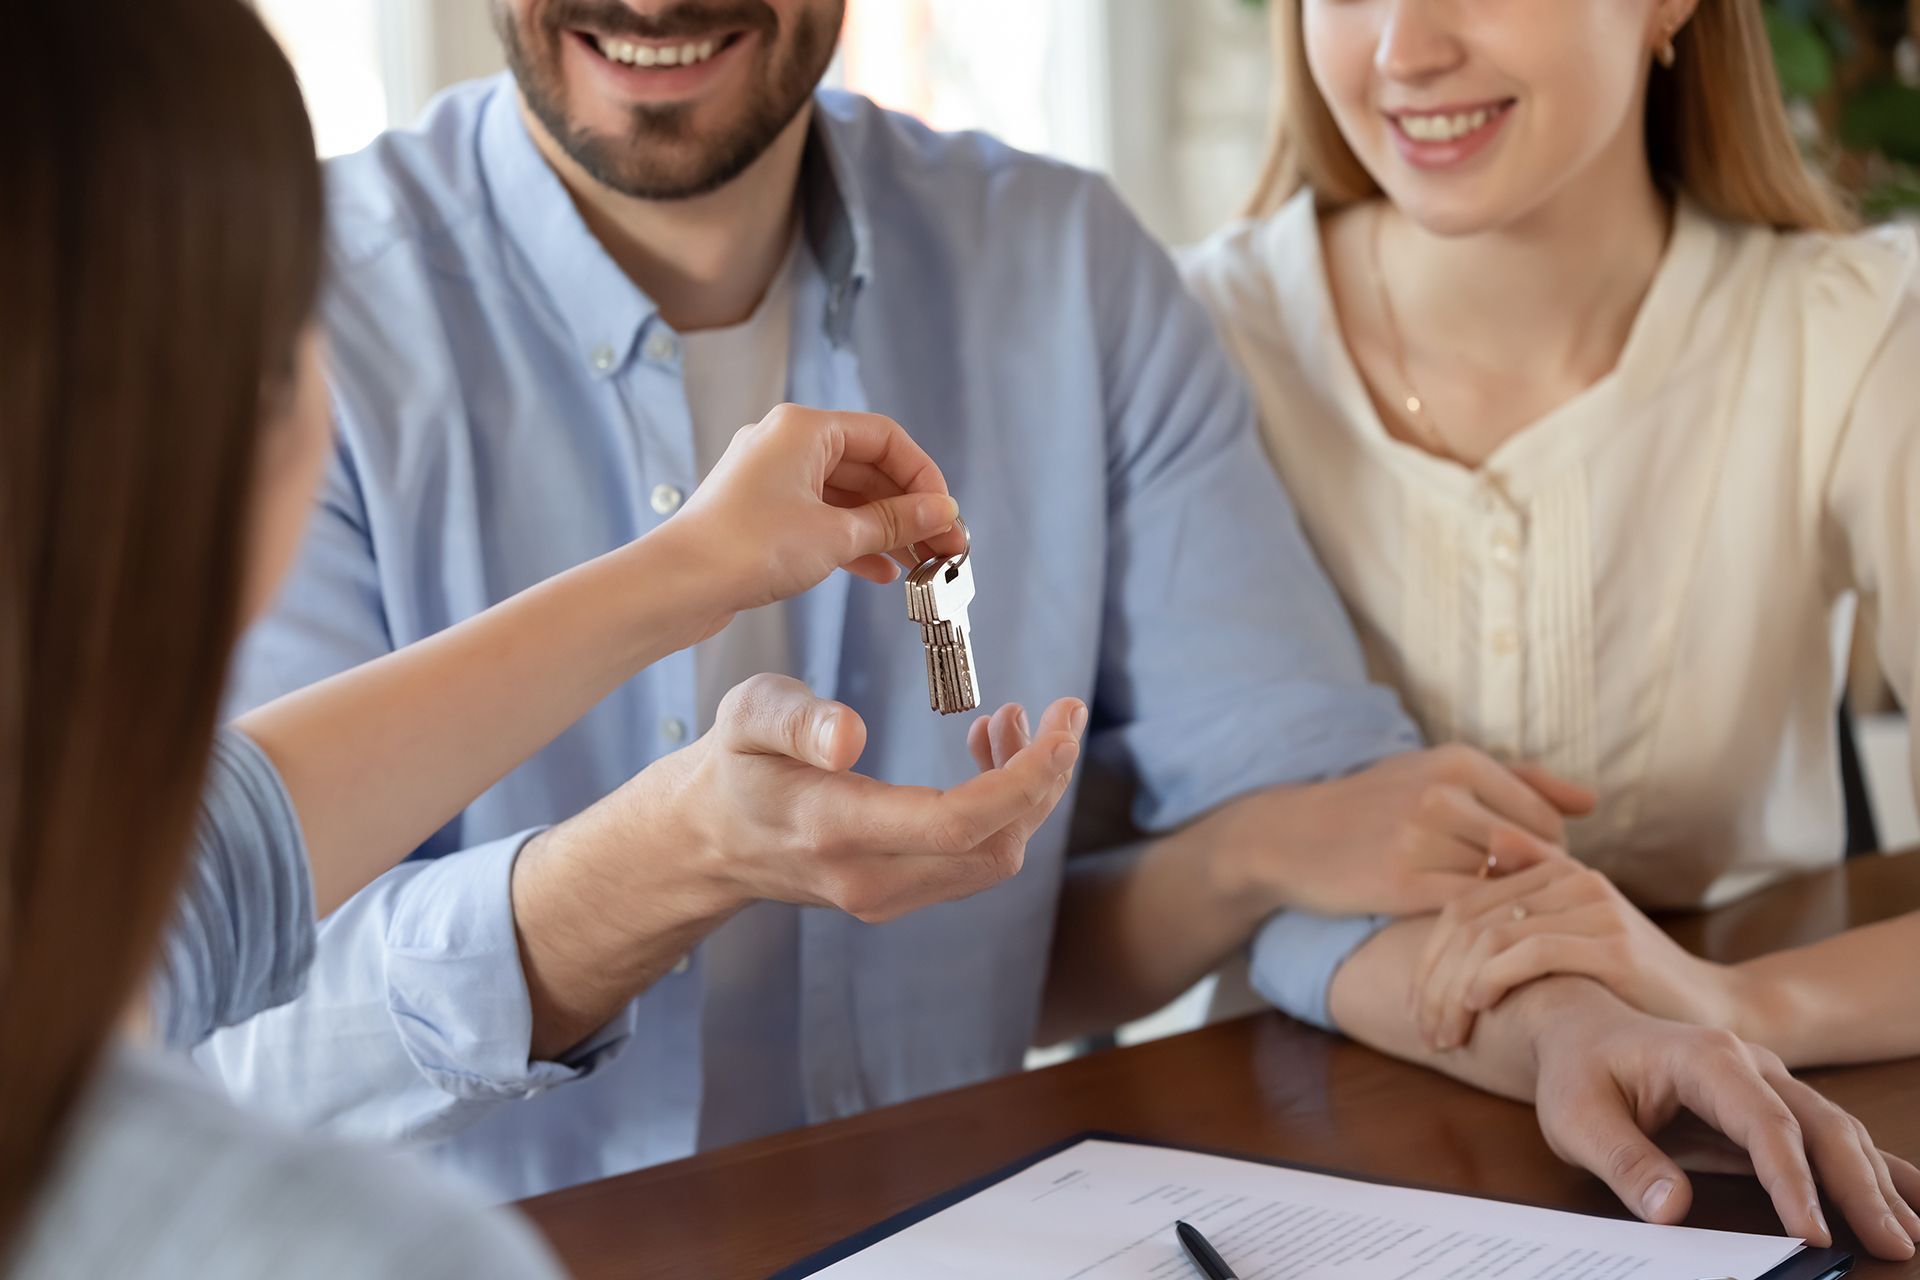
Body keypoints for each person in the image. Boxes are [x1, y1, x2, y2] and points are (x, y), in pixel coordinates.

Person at [210, 0, 1918, 1251]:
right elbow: (228, 1036)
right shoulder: (286, 316)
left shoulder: (1069, 270)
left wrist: (1572, 1029)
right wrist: (665, 863)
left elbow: (1309, 801)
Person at [1, 2, 1087, 1273]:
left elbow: (235, 845)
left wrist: (689, 569)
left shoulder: (71, 903)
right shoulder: (366, 1250)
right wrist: (681, 844)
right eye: (296, 325)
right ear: (254, 412)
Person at [1180, 0, 1920, 1258]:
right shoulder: (1198, 341)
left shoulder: (1851, 327)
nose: (1405, 51)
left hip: (1727, 1152)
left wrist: (1737, 999)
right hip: (1297, 1147)